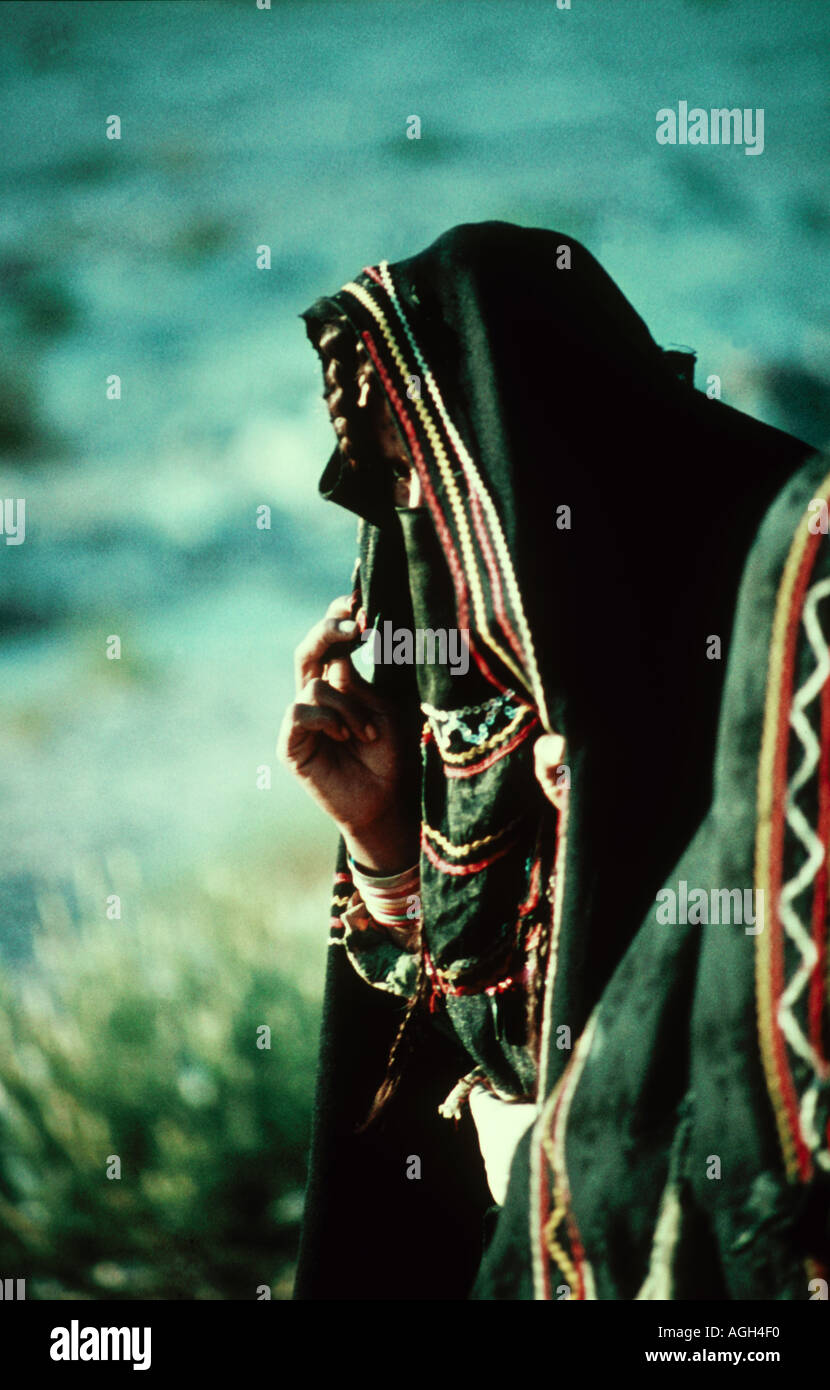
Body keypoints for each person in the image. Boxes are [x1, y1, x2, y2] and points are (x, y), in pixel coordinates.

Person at [282, 222, 826, 1300]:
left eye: (431, 483)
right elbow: (433, 1082)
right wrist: (383, 836)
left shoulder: (738, 681)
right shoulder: (470, 724)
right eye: (396, 492)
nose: (416, 538)